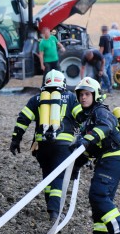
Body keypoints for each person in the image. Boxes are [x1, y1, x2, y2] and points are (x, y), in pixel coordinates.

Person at [10, 70, 83, 221]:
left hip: (42, 146)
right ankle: (54, 211)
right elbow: (82, 118)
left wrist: (16, 140)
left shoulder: (36, 99)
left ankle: (51, 206)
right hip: (63, 145)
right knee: (58, 176)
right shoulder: (70, 98)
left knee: (48, 176)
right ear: (62, 83)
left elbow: (23, 119)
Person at [69, 77, 120, 234]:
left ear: (95, 95)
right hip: (108, 159)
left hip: (114, 158)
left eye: (87, 94)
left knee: (98, 195)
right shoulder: (88, 119)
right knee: (100, 200)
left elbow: (106, 127)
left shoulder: (101, 112)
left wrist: (86, 140)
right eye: (81, 94)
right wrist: (77, 164)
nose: (83, 97)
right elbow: (90, 150)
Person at [98, 25, 113, 93]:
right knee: (109, 71)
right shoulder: (110, 37)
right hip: (110, 55)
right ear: (107, 30)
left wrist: (99, 56)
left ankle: (104, 86)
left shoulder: (102, 37)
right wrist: (111, 56)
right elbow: (112, 48)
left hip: (105, 55)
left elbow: (102, 48)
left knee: (104, 71)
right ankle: (110, 85)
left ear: (102, 30)